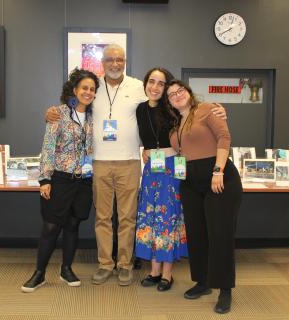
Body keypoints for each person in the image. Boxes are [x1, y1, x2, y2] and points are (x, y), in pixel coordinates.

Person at [46, 44, 227, 286]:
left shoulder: (138, 87)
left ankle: (124, 264)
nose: (114, 63)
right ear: (103, 62)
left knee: (128, 217)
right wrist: (52, 112)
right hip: (99, 162)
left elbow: (175, 103)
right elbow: (72, 102)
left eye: (119, 59)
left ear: (125, 61)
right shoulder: (94, 86)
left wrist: (215, 107)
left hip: (130, 162)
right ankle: (104, 264)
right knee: (102, 217)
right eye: (110, 59)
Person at [167, 79, 242, 314]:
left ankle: (225, 289)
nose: (177, 95)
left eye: (180, 91)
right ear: (169, 101)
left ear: (188, 93)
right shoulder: (176, 124)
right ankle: (203, 282)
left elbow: (224, 138)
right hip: (190, 183)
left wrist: (218, 171)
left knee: (220, 234)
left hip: (217, 179)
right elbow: (179, 151)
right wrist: (151, 154)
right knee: (197, 234)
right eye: (171, 94)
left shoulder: (207, 109)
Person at [21, 68, 99, 293]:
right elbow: (47, 147)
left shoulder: (95, 116)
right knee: (51, 226)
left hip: (84, 179)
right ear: (74, 89)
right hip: (60, 179)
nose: (88, 92)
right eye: (84, 87)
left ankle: (66, 269)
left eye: (92, 89)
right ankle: (39, 273)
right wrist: (45, 179)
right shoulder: (59, 113)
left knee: (73, 224)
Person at [134, 67, 188, 292]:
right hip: (150, 170)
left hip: (174, 166)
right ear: (145, 84)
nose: (155, 87)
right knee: (150, 217)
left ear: (166, 88)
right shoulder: (139, 109)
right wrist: (145, 150)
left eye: (160, 83)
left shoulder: (172, 109)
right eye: (151, 82)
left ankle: (167, 274)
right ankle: (154, 271)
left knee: (169, 218)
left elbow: (193, 116)